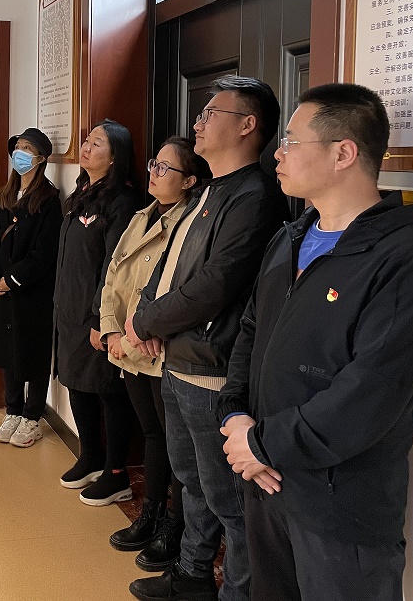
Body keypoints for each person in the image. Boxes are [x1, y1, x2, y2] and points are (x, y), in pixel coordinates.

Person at [215, 83, 413, 601]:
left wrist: (261, 444)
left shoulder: (406, 262)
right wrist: (233, 413)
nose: (277, 154)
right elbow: (251, 332)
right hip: (265, 483)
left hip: (338, 508)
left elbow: (369, 394)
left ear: (343, 153)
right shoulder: (290, 238)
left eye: (291, 141)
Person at [125, 77, 290, 601]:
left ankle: (234, 592)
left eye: (210, 114)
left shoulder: (255, 197)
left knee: (229, 501)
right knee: (191, 480)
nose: (197, 123)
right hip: (179, 360)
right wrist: (145, 316)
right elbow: (167, 267)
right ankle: (192, 574)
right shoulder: (208, 190)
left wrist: (149, 324)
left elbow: (216, 285)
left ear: (246, 125)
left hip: (212, 369)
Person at [101, 137, 211, 563]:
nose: (154, 172)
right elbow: (113, 274)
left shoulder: (193, 222)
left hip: (160, 348)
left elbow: (184, 289)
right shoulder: (141, 216)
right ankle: (150, 513)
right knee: (151, 433)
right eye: (154, 164)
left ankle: (175, 524)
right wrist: (111, 330)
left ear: (189, 181)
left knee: (175, 443)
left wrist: (139, 332)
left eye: (165, 168)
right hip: (129, 345)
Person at [54, 119, 143, 506]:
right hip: (68, 310)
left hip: (97, 315)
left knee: (108, 389)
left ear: (115, 156)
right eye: (87, 140)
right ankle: (90, 455)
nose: (87, 147)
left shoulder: (122, 202)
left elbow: (115, 265)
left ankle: (116, 472)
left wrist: (99, 319)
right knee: (76, 381)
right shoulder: (82, 194)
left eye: (97, 143)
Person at [0, 128, 62, 448]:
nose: (20, 153)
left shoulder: (49, 201)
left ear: (40, 158)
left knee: (33, 351)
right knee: (7, 350)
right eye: (18, 147)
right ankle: (12, 410)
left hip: (31, 292)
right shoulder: (5, 195)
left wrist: (11, 280)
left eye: (28, 148)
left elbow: (44, 253)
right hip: (1, 288)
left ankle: (32, 417)